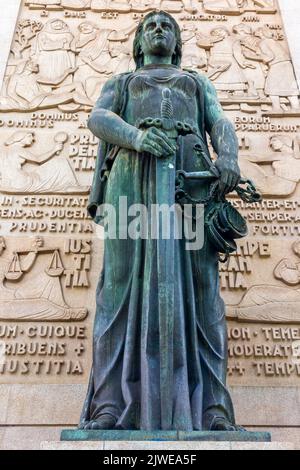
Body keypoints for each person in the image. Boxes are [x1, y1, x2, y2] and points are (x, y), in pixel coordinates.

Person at [80, 11, 241, 432]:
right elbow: (98, 118)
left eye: (167, 25)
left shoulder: (195, 82)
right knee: (118, 284)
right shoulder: (123, 82)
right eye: (150, 25)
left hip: (190, 182)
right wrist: (136, 137)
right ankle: (110, 405)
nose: (158, 29)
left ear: (177, 42)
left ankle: (212, 408)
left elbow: (219, 120)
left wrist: (229, 156)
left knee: (204, 287)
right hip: (131, 179)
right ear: (137, 44)